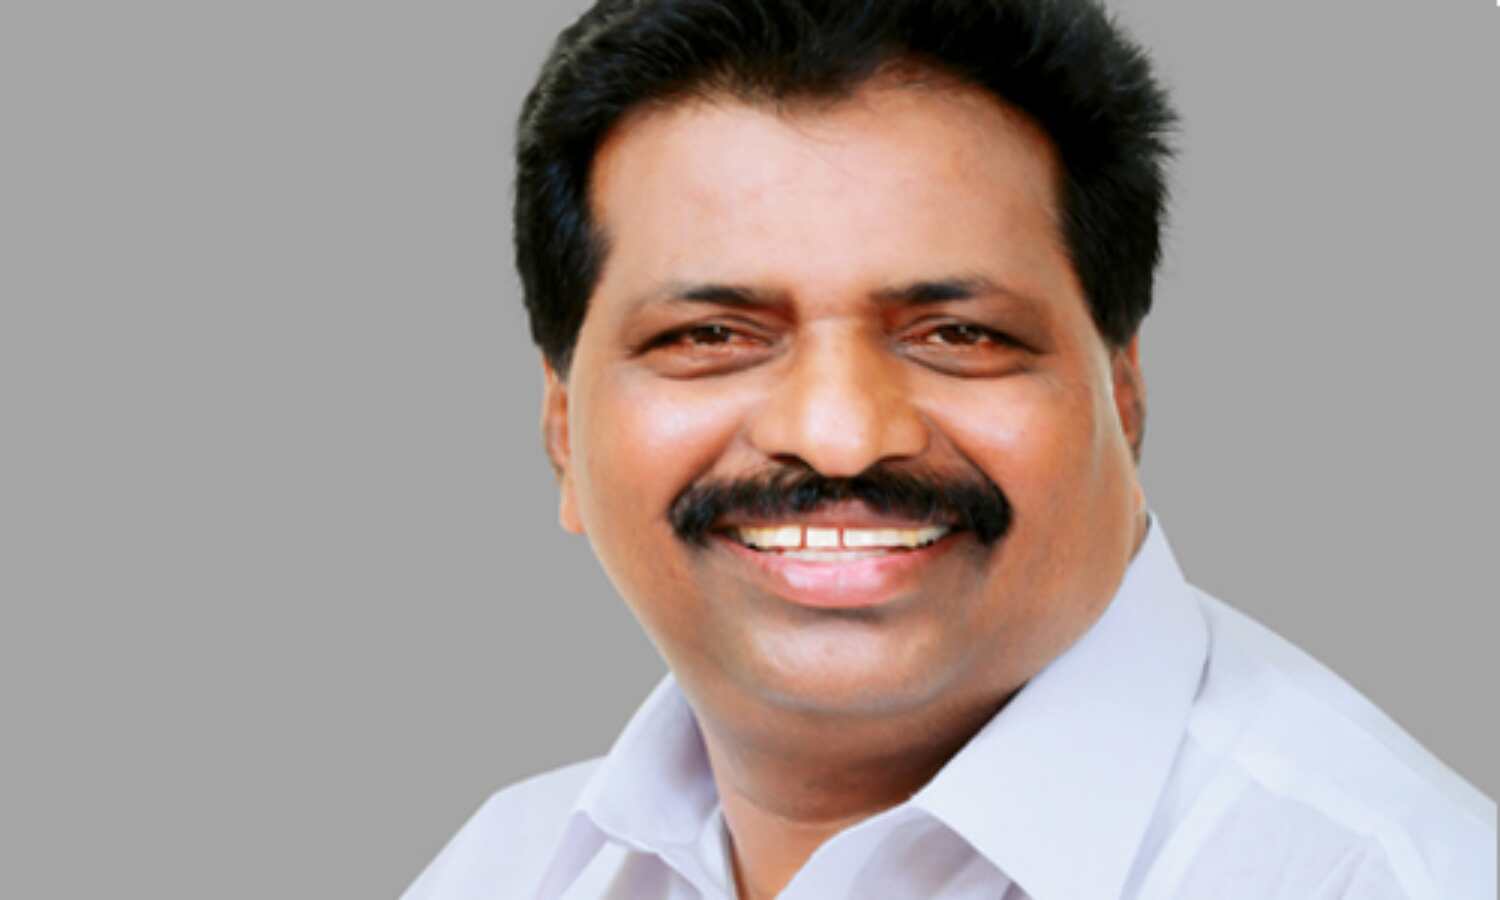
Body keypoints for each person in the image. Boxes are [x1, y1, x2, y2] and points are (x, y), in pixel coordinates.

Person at [403, 0, 1496, 897]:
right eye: (712, 336)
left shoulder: (1387, 877)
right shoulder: (507, 868)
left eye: (957, 335)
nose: (839, 434)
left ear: (1123, 395)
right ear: (562, 432)